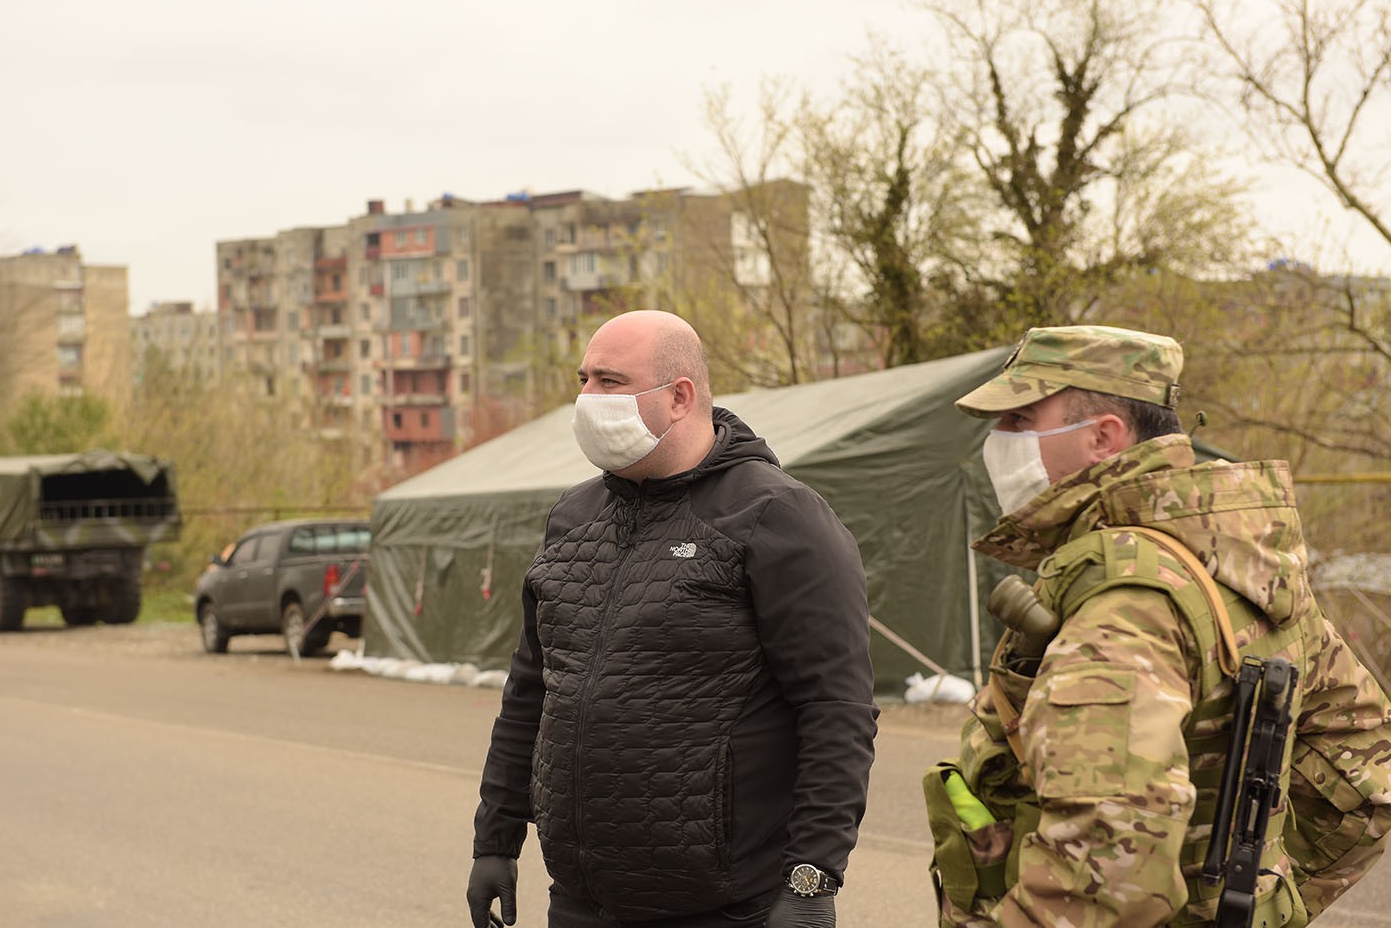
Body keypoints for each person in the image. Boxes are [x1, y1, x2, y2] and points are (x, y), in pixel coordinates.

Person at [927, 324, 1391, 928]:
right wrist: (1261, 901)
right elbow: (1367, 775)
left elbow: (1107, 880)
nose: (999, 440)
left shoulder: (1125, 597)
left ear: (1103, 437)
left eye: (1020, 420)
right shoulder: (1236, 556)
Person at [466, 310, 879, 928]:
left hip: (725, 908)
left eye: (609, 382)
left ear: (680, 396)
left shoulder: (777, 515)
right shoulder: (573, 518)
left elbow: (835, 710)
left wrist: (813, 880)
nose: (586, 399)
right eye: (582, 380)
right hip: (583, 902)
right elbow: (531, 691)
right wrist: (495, 839)